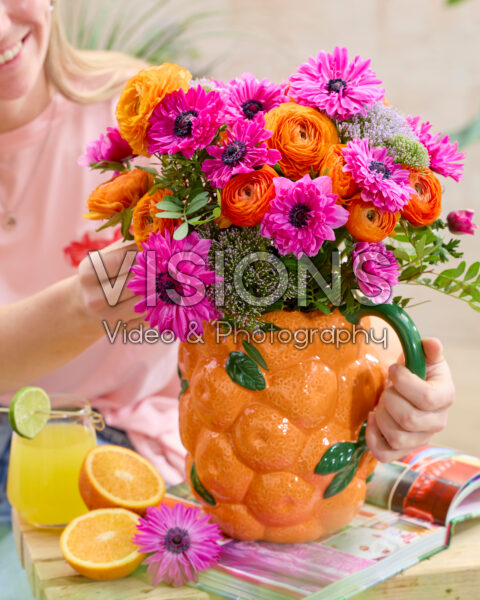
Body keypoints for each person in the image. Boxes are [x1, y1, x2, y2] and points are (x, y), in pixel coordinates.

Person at [0, 0, 455, 517]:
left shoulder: (154, 116)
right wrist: (84, 306)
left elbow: (302, 287)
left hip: (163, 447)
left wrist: (398, 376)